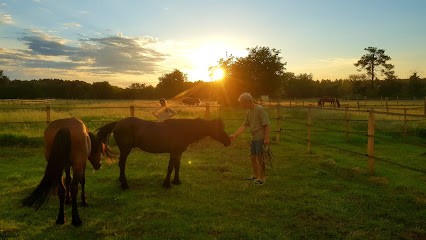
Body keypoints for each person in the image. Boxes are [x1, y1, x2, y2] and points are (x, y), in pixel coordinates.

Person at [229, 92, 270, 185]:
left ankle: (262, 179)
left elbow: (266, 124)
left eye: (242, 103)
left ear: (247, 101)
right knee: (252, 157)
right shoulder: (249, 112)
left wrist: (266, 138)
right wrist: (234, 135)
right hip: (254, 138)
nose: (241, 105)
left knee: (260, 158)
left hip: (260, 138)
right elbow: (244, 126)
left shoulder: (259, 109)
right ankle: (256, 176)